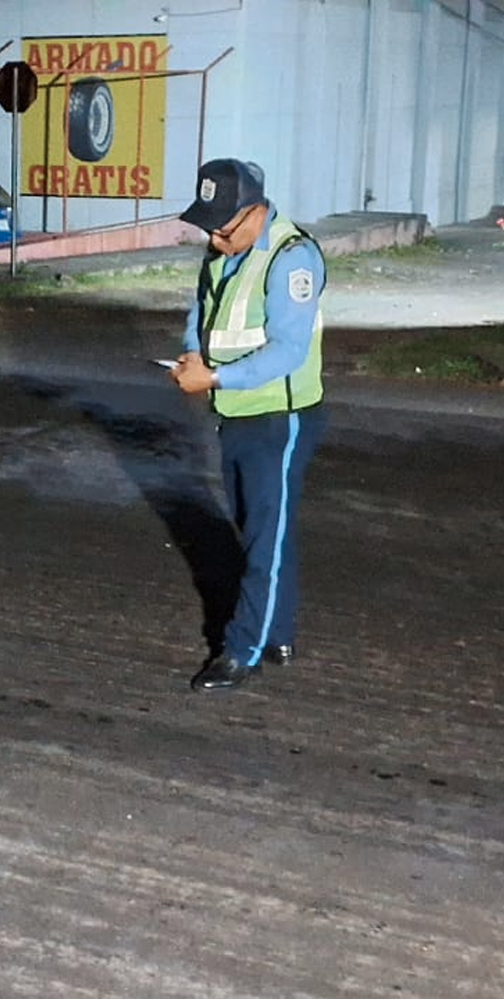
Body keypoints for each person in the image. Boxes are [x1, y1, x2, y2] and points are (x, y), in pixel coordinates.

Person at [168, 158, 328, 692]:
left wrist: (213, 378)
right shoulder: (222, 251)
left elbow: (287, 351)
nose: (215, 237)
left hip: (279, 416)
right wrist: (193, 358)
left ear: (256, 210)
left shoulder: (292, 258)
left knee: (264, 538)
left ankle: (243, 651)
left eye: (224, 226)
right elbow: (202, 311)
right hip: (236, 412)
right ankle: (276, 630)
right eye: (208, 225)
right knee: (264, 528)